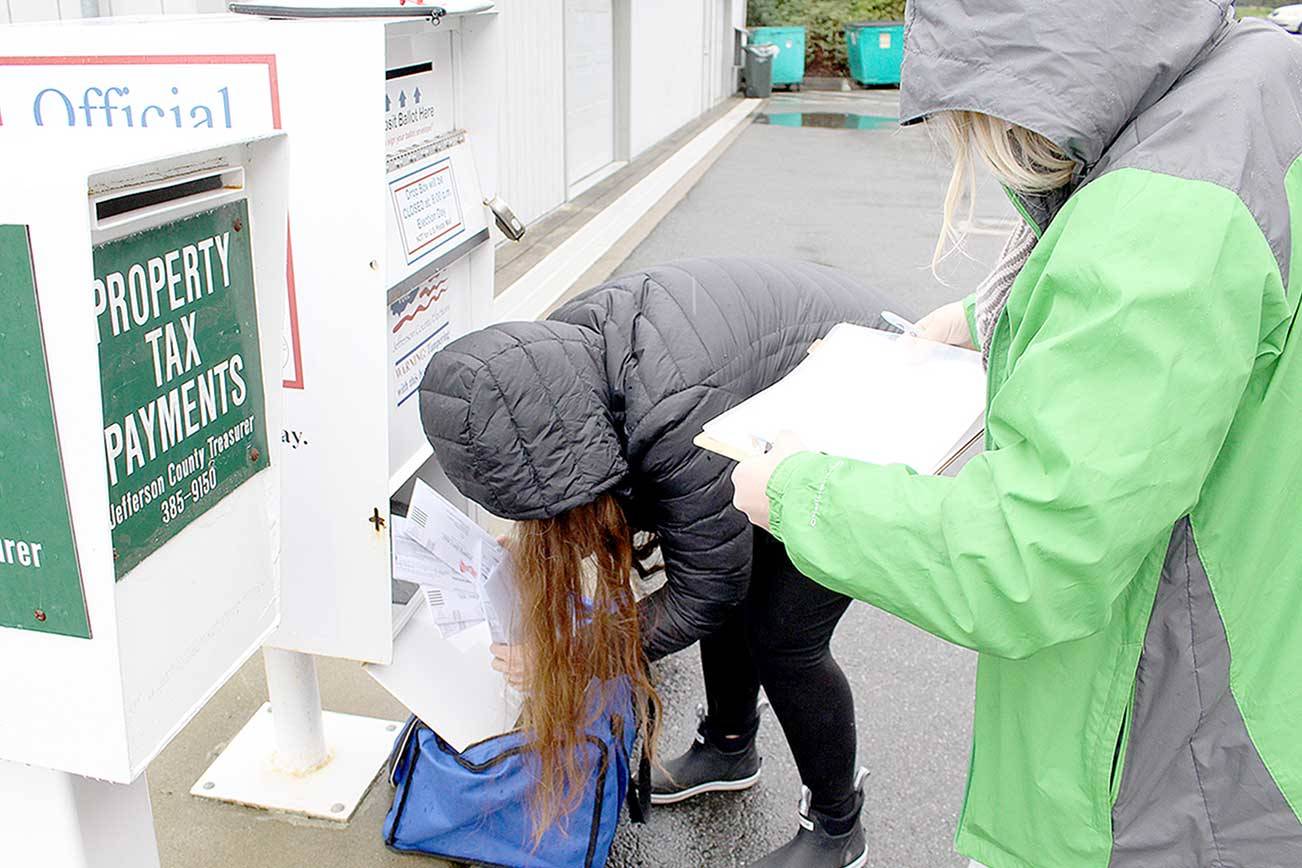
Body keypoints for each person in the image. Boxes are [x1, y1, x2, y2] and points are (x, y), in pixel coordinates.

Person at [730, 3, 1302, 867]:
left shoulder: (1167, 222)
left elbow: (1029, 556)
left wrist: (800, 492)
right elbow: (1185, 335)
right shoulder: (1251, 83)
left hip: (1168, 774)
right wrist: (980, 319)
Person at [419, 258, 886, 867]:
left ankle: (837, 826)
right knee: (727, 567)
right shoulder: (555, 369)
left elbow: (706, 589)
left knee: (784, 634)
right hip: (771, 399)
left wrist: (573, 652)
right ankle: (728, 747)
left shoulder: (670, 413)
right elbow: (605, 475)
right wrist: (544, 541)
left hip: (871, 397)